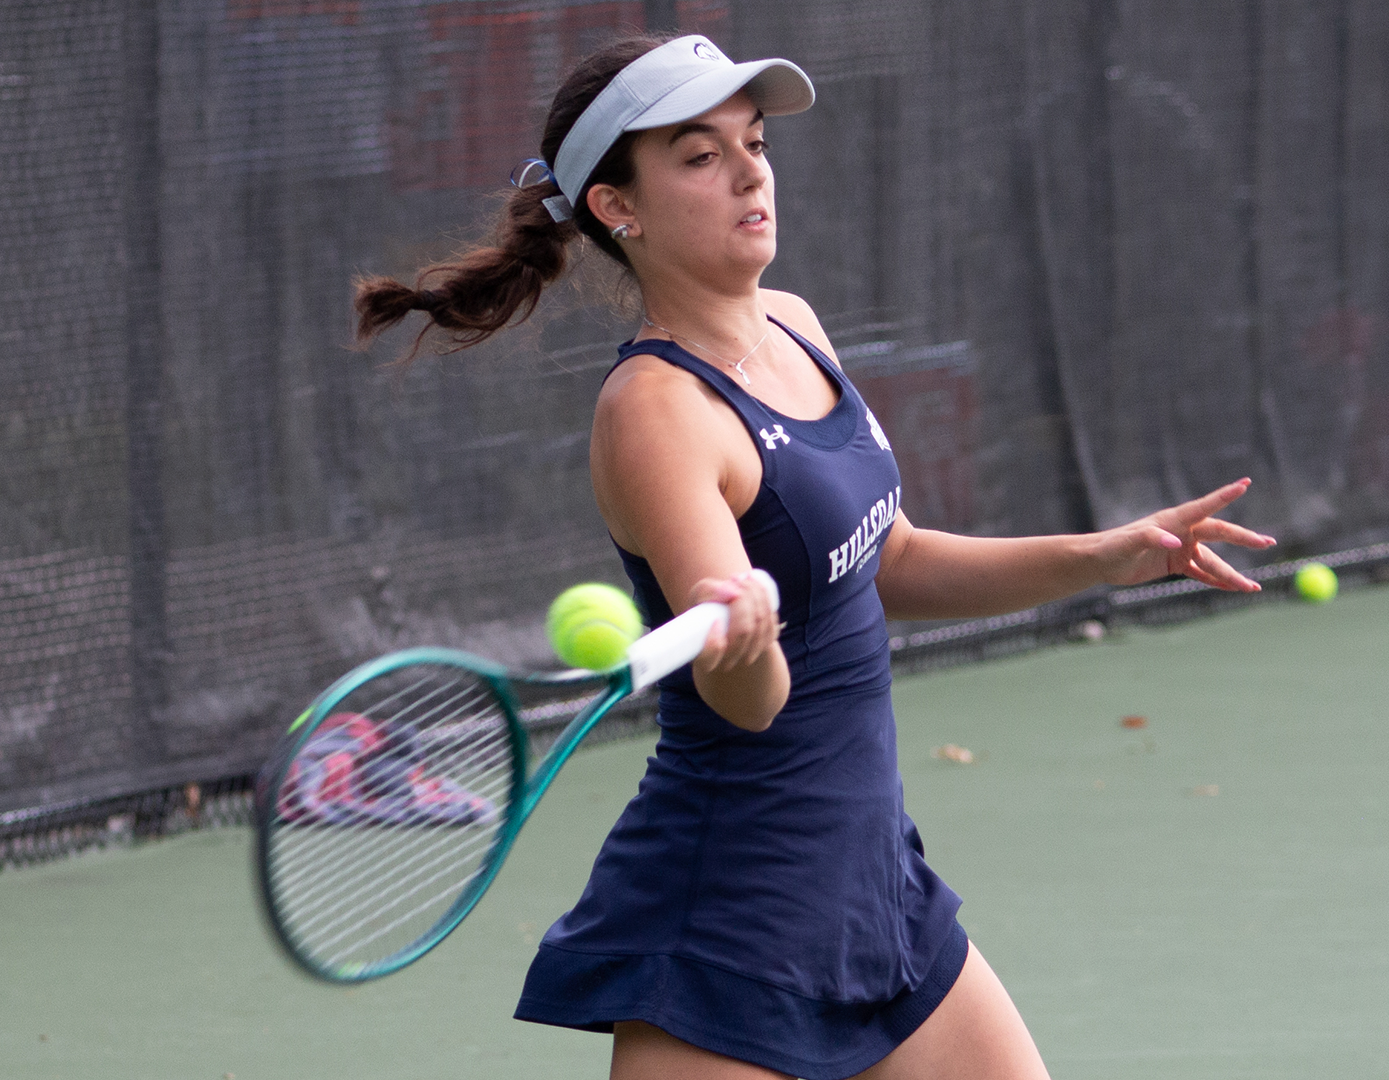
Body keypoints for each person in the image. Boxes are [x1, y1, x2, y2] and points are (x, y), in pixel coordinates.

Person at [353, 32, 1275, 1080]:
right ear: (619, 207)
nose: (750, 170)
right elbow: (748, 702)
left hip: (879, 892)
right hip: (729, 927)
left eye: (752, 142)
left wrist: (1102, 556)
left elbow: (889, 560)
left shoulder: (794, 326)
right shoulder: (656, 411)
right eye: (699, 156)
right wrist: (742, 640)